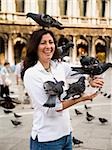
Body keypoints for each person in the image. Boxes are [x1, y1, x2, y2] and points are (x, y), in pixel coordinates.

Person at [23, 29, 104, 150]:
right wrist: (81, 99)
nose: (48, 46)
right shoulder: (31, 74)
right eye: (43, 43)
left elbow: (79, 71)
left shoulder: (58, 66)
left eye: (51, 42)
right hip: (47, 140)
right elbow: (52, 109)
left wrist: (90, 79)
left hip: (66, 134)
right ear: (35, 46)